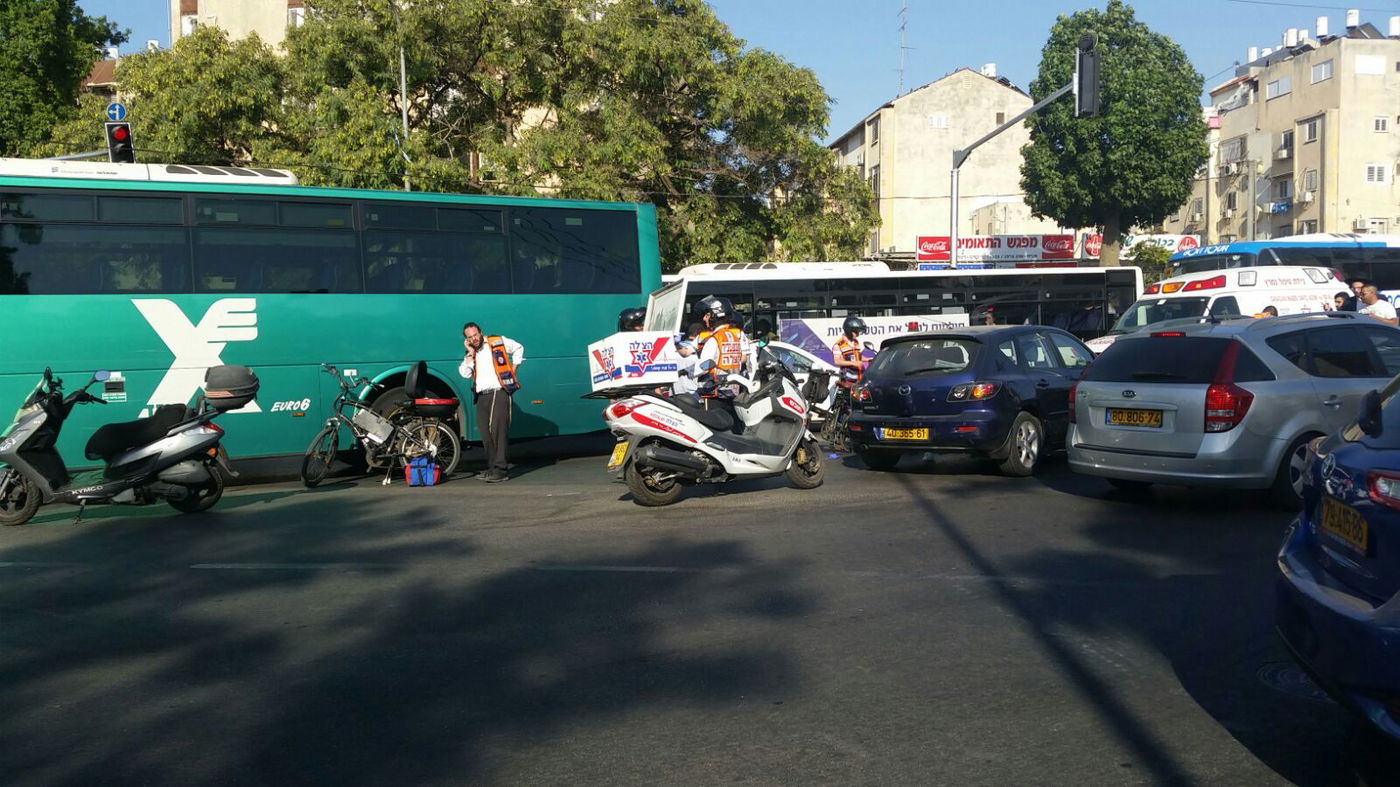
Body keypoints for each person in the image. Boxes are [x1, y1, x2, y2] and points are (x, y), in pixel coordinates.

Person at [458, 322, 525, 482]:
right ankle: (492, 467)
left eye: (475, 335)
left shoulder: (496, 341)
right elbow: (464, 373)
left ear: (480, 332)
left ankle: (501, 470)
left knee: (497, 430)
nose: (474, 338)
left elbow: (518, 347)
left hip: (498, 391)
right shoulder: (472, 353)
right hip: (482, 395)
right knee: (485, 433)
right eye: (470, 337)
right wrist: (470, 353)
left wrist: (514, 369)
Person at [692, 295, 753, 401]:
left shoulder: (714, 339)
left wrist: (688, 371)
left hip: (715, 392)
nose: (704, 319)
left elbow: (704, 365)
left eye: (707, 315)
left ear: (715, 315)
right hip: (732, 391)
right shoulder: (733, 337)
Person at [831, 316, 868, 388]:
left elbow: (857, 356)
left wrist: (867, 359)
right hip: (848, 381)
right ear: (849, 331)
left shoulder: (855, 342)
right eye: (856, 332)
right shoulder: (839, 345)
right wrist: (853, 363)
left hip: (859, 379)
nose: (857, 334)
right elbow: (837, 361)